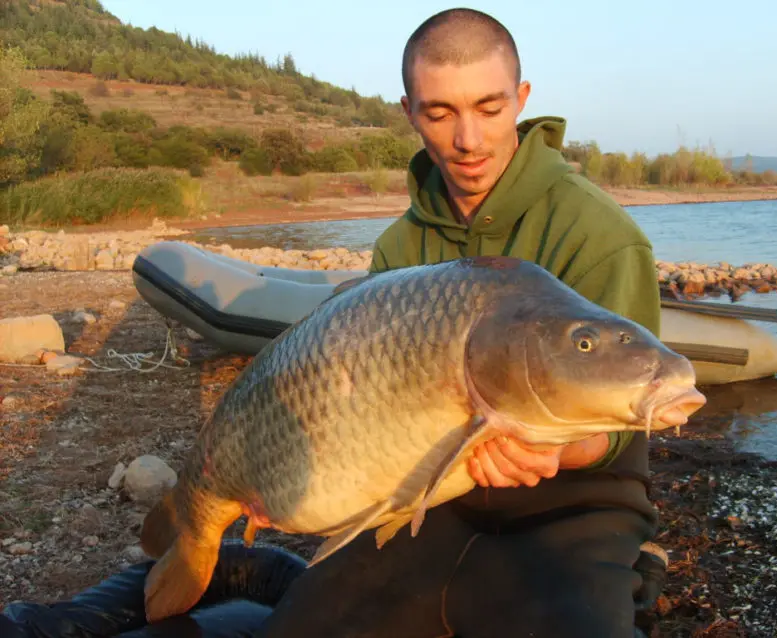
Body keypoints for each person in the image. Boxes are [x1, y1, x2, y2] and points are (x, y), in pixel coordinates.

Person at [0, 8, 668, 638]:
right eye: (440, 112)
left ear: (520, 98)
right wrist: (287, 465)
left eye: (488, 108)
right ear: (410, 113)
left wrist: (553, 450)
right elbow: (364, 412)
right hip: (434, 506)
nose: (467, 138)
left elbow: (620, 425)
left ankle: (629, 572)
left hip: (575, 509)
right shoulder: (401, 248)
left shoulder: (599, 234)